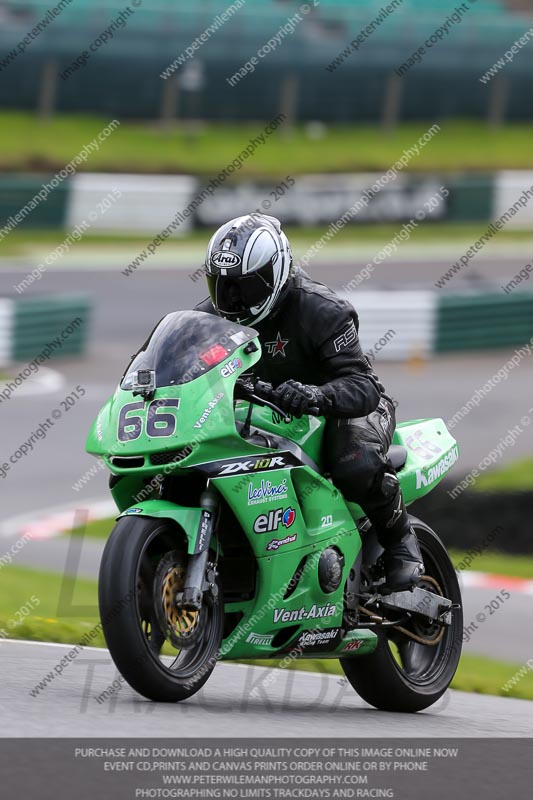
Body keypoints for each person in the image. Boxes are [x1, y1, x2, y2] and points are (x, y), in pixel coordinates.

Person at [195, 213, 424, 591]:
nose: (232, 299)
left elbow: (363, 386)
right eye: (223, 287)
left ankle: (401, 542)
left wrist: (317, 395)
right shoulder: (206, 318)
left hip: (345, 410)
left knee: (354, 462)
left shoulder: (321, 310)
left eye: (244, 288)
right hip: (263, 417)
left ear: (274, 274)